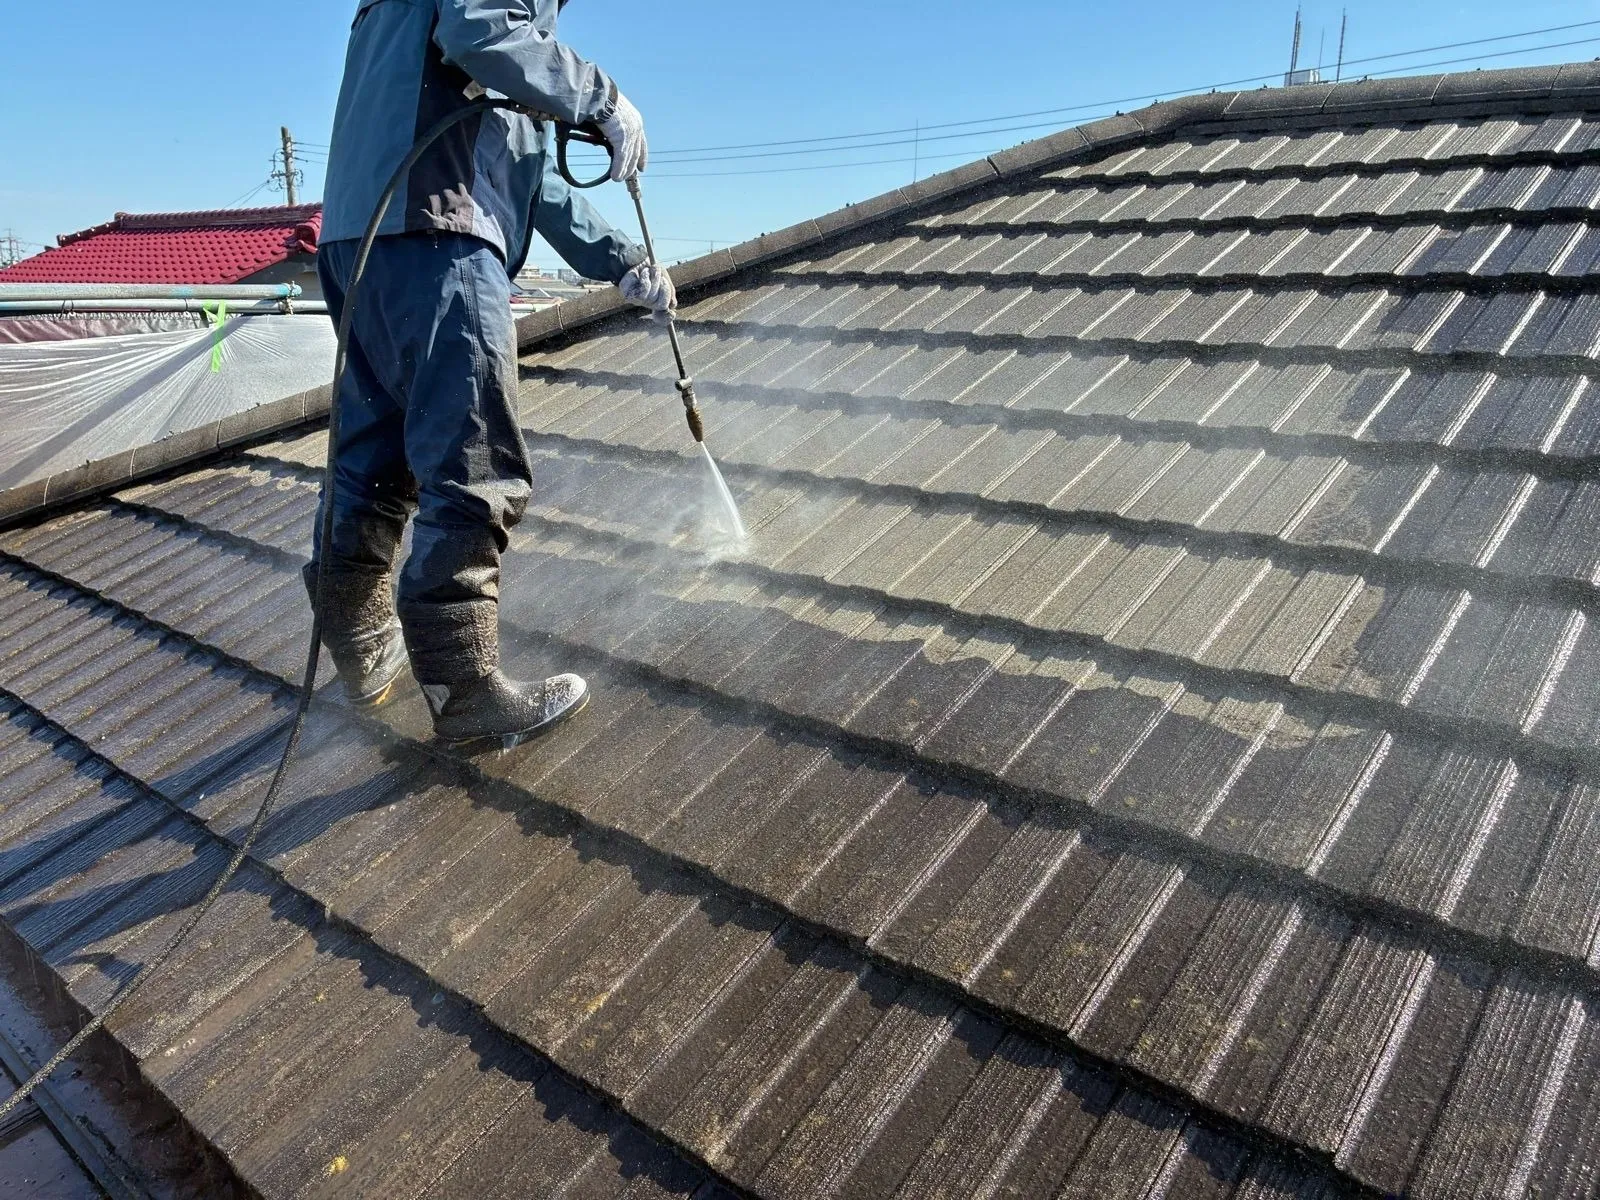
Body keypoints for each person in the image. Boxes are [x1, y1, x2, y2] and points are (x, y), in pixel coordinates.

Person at [312, 0, 675, 746]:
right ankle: (466, 689)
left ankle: (364, 651)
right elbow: (481, 28)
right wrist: (602, 97)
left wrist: (624, 262)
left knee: (373, 460)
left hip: (362, 240)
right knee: (472, 458)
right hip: (436, 233)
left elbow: (525, 171)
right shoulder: (495, 24)